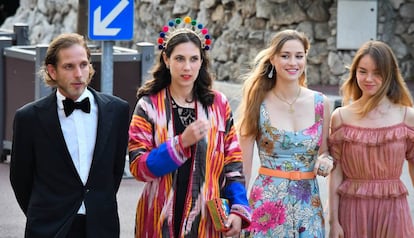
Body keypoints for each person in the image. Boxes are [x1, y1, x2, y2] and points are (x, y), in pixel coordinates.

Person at [127, 16, 251, 238]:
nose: (187, 67)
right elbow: (138, 167)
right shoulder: (148, 106)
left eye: (194, 59)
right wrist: (180, 143)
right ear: (166, 59)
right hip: (158, 217)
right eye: (179, 59)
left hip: (206, 220)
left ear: (202, 62)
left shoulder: (218, 105)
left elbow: (233, 165)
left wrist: (238, 209)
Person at [9, 33, 130, 237]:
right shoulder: (29, 118)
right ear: (52, 71)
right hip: (49, 228)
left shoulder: (117, 110)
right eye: (69, 66)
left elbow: (115, 172)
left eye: (83, 64)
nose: (79, 73)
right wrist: (43, 214)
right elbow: (20, 178)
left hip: (101, 226)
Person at [237, 29, 333, 237]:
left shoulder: (321, 103)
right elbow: (243, 168)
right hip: (266, 204)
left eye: (299, 56)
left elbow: (325, 151)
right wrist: (239, 211)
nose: (293, 62)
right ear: (273, 59)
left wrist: (326, 161)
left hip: (308, 205)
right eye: (285, 56)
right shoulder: (257, 103)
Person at [328, 40, 414, 238]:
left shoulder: (406, 116)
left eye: (377, 73)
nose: (369, 79)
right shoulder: (341, 116)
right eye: (363, 71)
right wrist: (334, 222)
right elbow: (336, 173)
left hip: (394, 213)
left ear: (389, 74)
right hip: (352, 212)